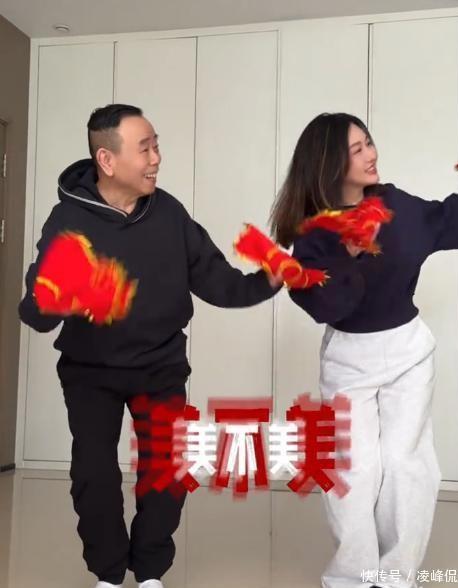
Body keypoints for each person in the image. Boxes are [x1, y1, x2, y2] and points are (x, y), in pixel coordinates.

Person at [19, 104, 282, 588]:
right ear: (107, 159)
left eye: (156, 145)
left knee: (167, 470)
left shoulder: (170, 213)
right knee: (94, 474)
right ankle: (108, 572)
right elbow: (35, 313)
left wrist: (268, 280)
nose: (157, 158)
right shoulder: (68, 220)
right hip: (90, 371)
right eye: (145, 148)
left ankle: (150, 571)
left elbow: (218, 281)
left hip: (161, 367)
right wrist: (61, 293)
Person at [270, 112, 458, 588]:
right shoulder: (314, 234)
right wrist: (349, 254)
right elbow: (325, 305)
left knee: (406, 464)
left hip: (408, 350)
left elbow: (456, 219)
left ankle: (396, 577)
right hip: (349, 358)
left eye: (369, 142)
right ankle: (352, 577)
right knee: (356, 468)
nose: (371, 155)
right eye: (356, 149)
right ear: (329, 164)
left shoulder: (394, 205)